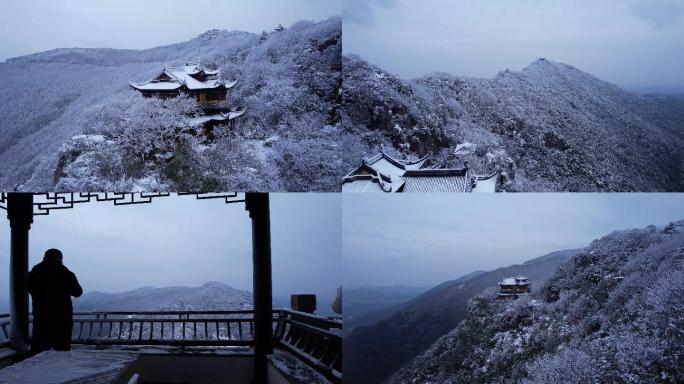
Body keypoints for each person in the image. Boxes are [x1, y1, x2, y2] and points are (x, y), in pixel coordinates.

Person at [27, 249, 83, 354]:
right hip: (62, 318)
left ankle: (36, 369)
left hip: (40, 318)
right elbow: (78, 292)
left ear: (44, 258)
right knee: (62, 352)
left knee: (38, 352)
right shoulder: (66, 274)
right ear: (60, 259)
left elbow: (26, 288)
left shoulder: (32, 274)